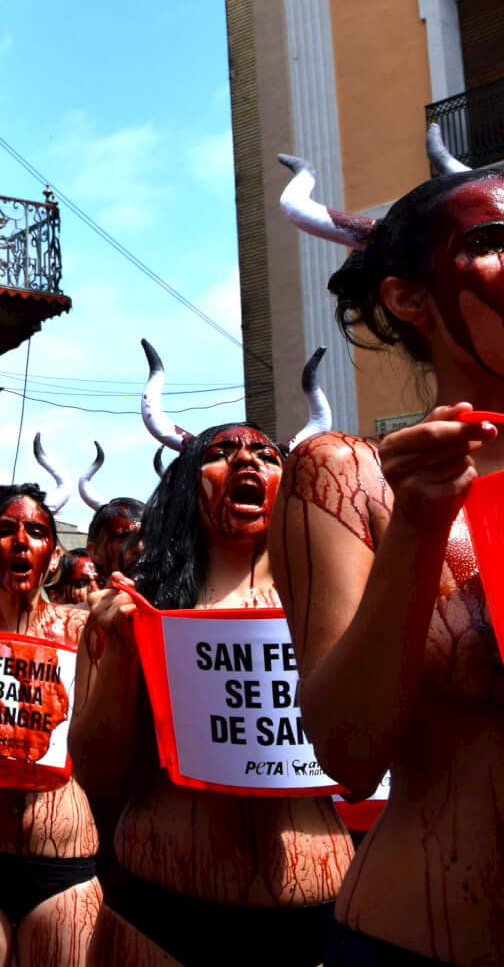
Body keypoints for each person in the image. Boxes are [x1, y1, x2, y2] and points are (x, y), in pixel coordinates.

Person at [267, 132, 504, 966]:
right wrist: (417, 529)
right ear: (410, 299)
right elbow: (349, 756)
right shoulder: (348, 479)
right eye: (491, 241)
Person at [72, 344, 351, 967]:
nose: (246, 459)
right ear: (185, 484)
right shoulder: (129, 609)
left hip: (318, 921)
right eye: (221, 453)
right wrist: (120, 656)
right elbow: (96, 775)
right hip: (161, 915)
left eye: (265, 454)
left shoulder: (333, 607)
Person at [0, 441, 99, 967]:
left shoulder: (84, 628)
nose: (21, 541)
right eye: (5, 531)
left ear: (52, 554)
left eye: (37, 533)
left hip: (63, 864)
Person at [74, 444, 144, 582]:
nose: (141, 547)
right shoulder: (91, 604)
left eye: (150, 538)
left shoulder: (180, 602)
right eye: (125, 537)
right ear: (95, 552)